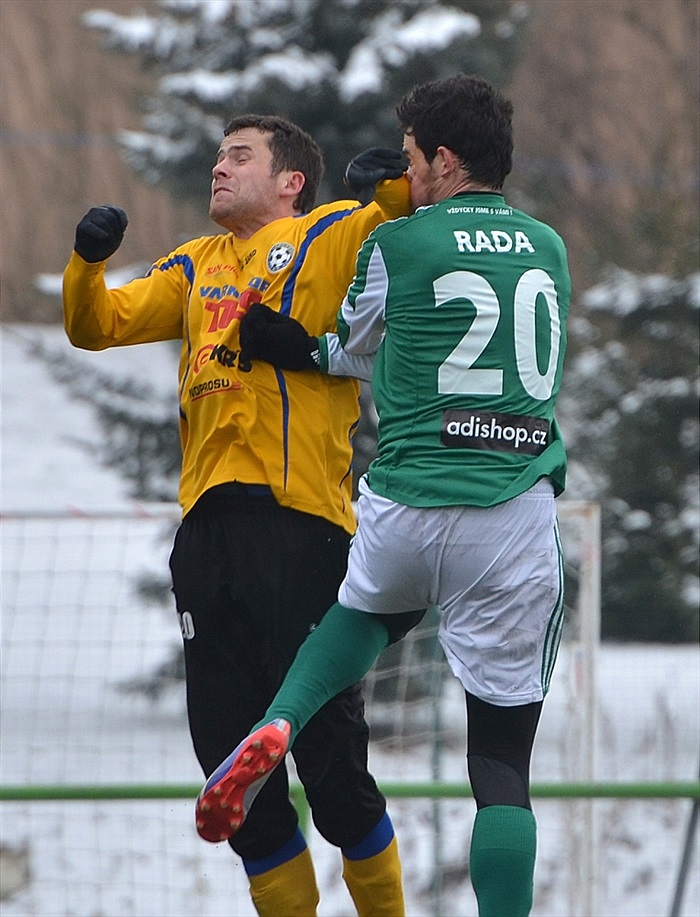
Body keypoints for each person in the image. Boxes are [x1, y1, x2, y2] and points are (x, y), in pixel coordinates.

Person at [197, 74, 572, 917]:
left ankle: (282, 720)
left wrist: (297, 340)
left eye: (409, 159)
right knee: (501, 766)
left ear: (440, 159)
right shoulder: (549, 246)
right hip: (511, 511)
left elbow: (350, 345)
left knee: (360, 617)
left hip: (406, 498)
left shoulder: (398, 243)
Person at [62, 114, 413, 917]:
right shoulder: (193, 264)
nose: (219, 167)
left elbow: (397, 213)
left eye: (240, 156)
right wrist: (88, 261)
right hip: (208, 536)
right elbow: (95, 325)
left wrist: (388, 178)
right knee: (234, 782)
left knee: (332, 774)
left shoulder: (326, 231)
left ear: (291, 180)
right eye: (219, 155)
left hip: (301, 527)